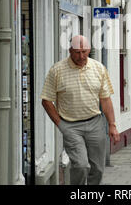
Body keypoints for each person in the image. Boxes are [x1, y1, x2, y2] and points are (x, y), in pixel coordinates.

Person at [41, 35, 120, 185]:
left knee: (98, 168)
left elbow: (105, 99)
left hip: (95, 123)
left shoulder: (98, 68)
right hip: (71, 125)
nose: (81, 56)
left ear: (89, 50)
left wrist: (112, 124)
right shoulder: (57, 70)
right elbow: (46, 100)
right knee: (81, 165)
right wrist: (60, 123)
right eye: (77, 52)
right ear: (70, 50)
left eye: (84, 52)